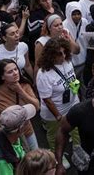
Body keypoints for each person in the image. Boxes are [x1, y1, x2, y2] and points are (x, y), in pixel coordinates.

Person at [36, 38, 80, 166]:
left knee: (76, 131)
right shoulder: (44, 74)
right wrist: (59, 116)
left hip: (72, 105)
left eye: (65, 52)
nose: (64, 56)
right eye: (59, 54)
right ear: (50, 55)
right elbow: (47, 100)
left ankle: (78, 151)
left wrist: (76, 100)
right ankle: (57, 157)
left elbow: (73, 81)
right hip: (55, 113)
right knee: (55, 136)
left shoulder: (67, 62)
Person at [0, 104, 37, 175]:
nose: (29, 123)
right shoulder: (2, 163)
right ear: (20, 130)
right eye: (27, 122)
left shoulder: (11, 136)